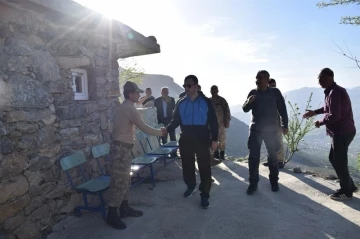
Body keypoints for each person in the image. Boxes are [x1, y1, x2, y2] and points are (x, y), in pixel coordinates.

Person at [107, 81, 166, 229]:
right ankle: (112, 215)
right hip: (121, 150)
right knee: (119, 182)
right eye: (137, 93)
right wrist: (161, 132)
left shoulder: (127, 107)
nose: (139, 95)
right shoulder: (129, 108)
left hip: (123, 149)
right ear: (131, 94)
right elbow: (144, 127)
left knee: (125, 180)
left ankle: (124, 208)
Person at [303, 68, 358, 201]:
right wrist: (314, 112)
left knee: (339, 161)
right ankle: (349, 185)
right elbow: (328, 108)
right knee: (334, 159)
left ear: (329, 77)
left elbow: (334, 115)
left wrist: (320, 122)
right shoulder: (332, 92)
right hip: (342, 131)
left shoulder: (334, 92)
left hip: (342, 132)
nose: (319, 82)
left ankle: (346, 191)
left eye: (321, 79)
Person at [164, 75, 218, 209]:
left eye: (189, 85)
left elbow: (213, 122)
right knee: (187, 165)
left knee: (204, 167)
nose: (186, 88)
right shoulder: (181, 102)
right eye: (185, 85)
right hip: (186, 137)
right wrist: (166, 129)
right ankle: (191, 186)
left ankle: (204, 194)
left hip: (202, 137)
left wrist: (215, 139)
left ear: (195, 86)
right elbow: (175, 120)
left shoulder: (206, 102)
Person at [242, 70, 288, 195]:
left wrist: (285, 125)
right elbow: (245, 109)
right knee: (253, 158)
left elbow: (283, 110)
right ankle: (253, 183)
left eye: (260, 78)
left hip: (271, 131)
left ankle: (274, 182)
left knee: (272, 157)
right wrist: (248, 102)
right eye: (256, 78)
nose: (257, 80)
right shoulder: (253, 93)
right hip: (255, 130)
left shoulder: (275, 92)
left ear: (267, 80)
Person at [263, 78, 285, 168]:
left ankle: (280, 161)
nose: (273, 87)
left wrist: (284, 124)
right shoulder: (264, 96)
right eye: (272, 85)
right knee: (269, 142)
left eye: (274, 85)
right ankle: (271, 160)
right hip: (267, 125)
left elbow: (283, 111)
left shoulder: (278, 96)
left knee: (279, 141)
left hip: (277, 123)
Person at [210, 85, 231, 160]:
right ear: (210, 91)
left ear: (217, 91)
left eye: (215, 90)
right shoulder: (209, 101)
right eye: (212, 90)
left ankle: (222, 155)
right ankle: (215, 154)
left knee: (222, 139)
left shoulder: (222, 100)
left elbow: (227, 111)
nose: (214, 92)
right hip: (211, 124)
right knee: (213, 138)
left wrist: (227, 120)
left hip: (221, 123)